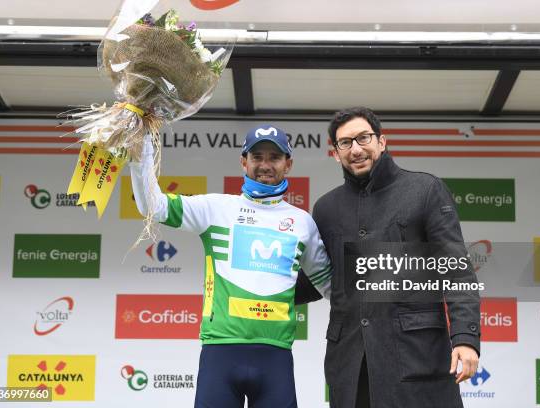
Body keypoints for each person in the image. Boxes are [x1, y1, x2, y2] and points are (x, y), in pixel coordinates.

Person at [130, 125, 332, 407]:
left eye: (274, 157)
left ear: (288, 164)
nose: (264, 165)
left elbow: (330, 286)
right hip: (220, 352)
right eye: (257, 156)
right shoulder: (215, 208)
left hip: (276, 357)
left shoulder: (302, 222)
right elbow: (153, 206)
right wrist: (141, 151)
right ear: (243, 161)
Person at [296, 107, 480, 408]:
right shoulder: (326, 209)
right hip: (351, 368)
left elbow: (456, 269)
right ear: (335, 153)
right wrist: (256, 286)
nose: (356, 149)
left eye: (363, 138)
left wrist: (465, 337)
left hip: (416, 360)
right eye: (345, 143)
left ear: (382, 141)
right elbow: (321, 279)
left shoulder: (425, 190)